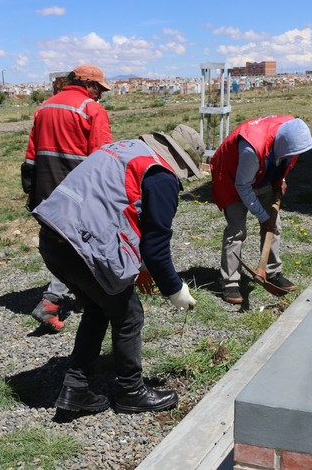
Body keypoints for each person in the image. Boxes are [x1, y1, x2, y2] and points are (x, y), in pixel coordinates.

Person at [32, 139, 196, 413]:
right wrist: (175, 290)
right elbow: (156, 248)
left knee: (97, 309)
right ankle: (131, 392)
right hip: (82, 247)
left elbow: (122, 207)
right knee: (129, 315)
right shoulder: (161, 177)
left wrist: (141, 269)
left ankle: (76, 389)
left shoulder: (125, 150)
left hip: (52, 236)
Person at [21, 64, 114, 332]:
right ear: (89, 85)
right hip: (78, 193)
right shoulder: (91, 109)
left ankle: (87, 296)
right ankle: (51, 302)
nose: (100, 96)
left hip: (46, 192)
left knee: (64, 246)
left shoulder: (45, 107)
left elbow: (30, 157)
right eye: (99, 89)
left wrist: (30, 191)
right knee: (85, 245)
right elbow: (102, 158)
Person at [210, 115, 312, 305]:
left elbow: (286, 157)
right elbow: (242, 185)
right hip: (231, 177)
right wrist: (263, 216)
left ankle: (272, 272)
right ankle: (230, 282)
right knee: (237, 230)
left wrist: (281, 179)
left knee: (274, 226)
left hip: (261, 174)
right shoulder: (252, 147)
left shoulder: (293, 132)